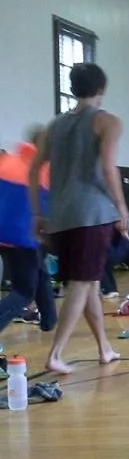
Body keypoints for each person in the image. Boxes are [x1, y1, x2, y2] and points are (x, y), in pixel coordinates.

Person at [29, 63, 126, 374]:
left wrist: (37, 213)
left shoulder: (52, 127)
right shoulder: (107, 122)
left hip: (60, 215)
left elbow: (33, 171)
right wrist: (121, 207)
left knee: (87, 282)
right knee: (83, 284)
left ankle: (104, 348)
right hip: (92, 213)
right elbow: (109, 169)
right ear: (102, 89)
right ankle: (56, 353)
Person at [0, 127, 56, 337]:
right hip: (22, 237)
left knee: (38, 268)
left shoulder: (7, 161)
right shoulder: (44, 170)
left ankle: (49, 320)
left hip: (4, 234)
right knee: (23, 292)